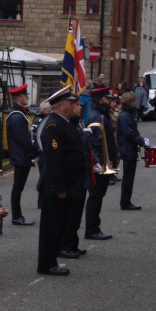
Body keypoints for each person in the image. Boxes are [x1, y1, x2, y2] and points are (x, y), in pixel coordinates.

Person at [36, 87, 85, 275]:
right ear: (61, 105)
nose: (75, 107)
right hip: (55, 187)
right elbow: (54, 161)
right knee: (51, 227)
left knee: (59, 226)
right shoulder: (53, 126)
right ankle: (46, 264)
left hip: (68, 184)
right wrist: (60, 188)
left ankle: (51, 261)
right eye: (72, 104)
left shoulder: (65, 123)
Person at [60, 101, 92, 259]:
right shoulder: (68, 126)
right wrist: (86, 136)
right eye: (76, 105)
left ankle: (73, 243)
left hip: (82, 174)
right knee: (70, 213)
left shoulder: (79, 123)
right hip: (72, 176)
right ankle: (65, 245)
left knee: (77, 213)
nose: (80, 108)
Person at [84, 87, 117, 241]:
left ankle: (94, 227)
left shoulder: (102, 115)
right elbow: (95, 144)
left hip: (105, 163)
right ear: (100, 99)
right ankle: (91, 229)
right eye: (107, 98)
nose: (110, 101)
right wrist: (98, 163)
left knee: (98, 196)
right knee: (95, 197)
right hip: (100, 165)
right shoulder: (97, 117)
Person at [6, 84, 39, 226]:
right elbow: (24, 139)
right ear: (19, 97)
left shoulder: (19, 114)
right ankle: (17, 216)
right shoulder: (17, 116)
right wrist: (34, 152)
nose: (27, 97)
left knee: (18, 188)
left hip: (21, 156)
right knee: (18, 188)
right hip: (21, 157)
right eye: (25, 95)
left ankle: (17, 216)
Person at [118, 93, 149, 211]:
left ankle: (126, 201)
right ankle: (125, 202)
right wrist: (141, 141)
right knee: (128, 177)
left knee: (129, 176)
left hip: (128, 148)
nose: (135, 103)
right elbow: (129, 133)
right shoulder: (126, 116)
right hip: (127, 148)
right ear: (129, 102)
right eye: (133, 101)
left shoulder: (128, 114)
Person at [31, 101, 51, 209]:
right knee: (44, 177)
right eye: (49, 110)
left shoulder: (43, 119)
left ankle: (43, 200)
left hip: (43, 152)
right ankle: (41, 200)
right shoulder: (39, 120)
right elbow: (36, 137)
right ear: (43, 110)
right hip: (42, 152)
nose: (50, 112)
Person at [109, 98, 121, 185]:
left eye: (114, 102)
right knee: (113, 156)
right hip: (112, 137)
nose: (114, 104)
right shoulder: (110, 112)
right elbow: (115, 120)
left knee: (117, 156)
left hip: (115, 136)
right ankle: (111, 174)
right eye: (113, 102)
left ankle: (113, 172)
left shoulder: (113, 111)